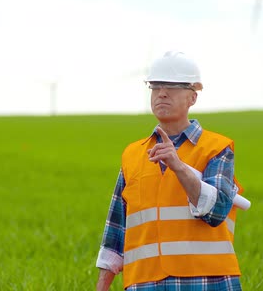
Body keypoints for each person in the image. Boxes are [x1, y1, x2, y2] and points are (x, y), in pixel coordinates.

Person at [95, 51, 245, 290]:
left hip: (206, 282)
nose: (162, 93)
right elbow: (115, 232)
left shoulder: (216, 149)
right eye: (155, 86)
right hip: (144, 283)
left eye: (173, 86)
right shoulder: (133, 155)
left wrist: (178, 167)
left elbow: (216, 211)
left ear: (193, 97)